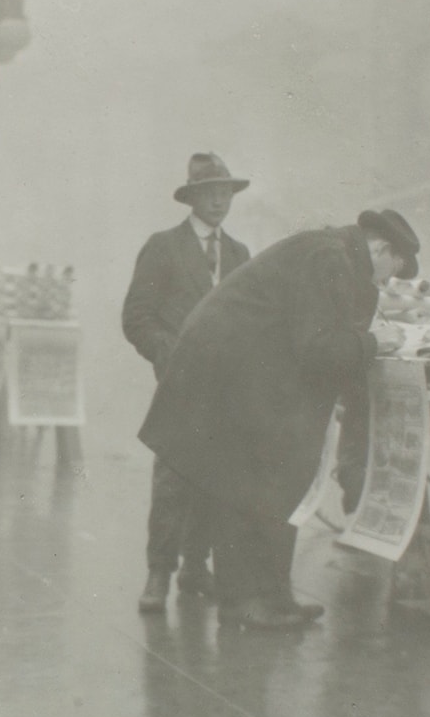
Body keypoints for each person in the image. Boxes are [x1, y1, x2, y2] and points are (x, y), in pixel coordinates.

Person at [138, 209, 415, 629]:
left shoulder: (326, 249)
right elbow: (318, 348)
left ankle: (272, 597)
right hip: (223, 380)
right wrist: (376, 342)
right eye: (388, 273)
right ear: (380, 249)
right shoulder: (332, 260)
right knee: (244, 484)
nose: (382, 284)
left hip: (227, 374)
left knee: (268, 477)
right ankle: (246, 603)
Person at [123, 152, 252, 613]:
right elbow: (136, 318)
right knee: (174, 479)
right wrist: (166, 350)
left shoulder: (239, 255)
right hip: (180, 384)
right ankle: (160, 573)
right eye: (209, 192)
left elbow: (248, 322)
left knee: (215, 479)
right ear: (193, 197)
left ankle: (197, 569)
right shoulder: (164, 247)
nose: (218, 200)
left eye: (225, 192)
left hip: (225, 387)